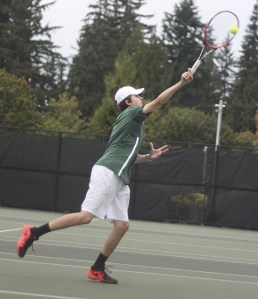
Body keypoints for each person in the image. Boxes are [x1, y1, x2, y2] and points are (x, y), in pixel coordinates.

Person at [16, 69, 193, 284]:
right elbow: (158, 101)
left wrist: (148, 157)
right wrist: (180, 84)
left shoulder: (133, 124)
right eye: (138, 95)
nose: (142, 97)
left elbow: (127, 156)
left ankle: (97, 267)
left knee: (122, 226)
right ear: (128, 102)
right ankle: (33, 232)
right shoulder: (131, 114)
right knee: (85, 217)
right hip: (108, 171)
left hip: (120, 176)